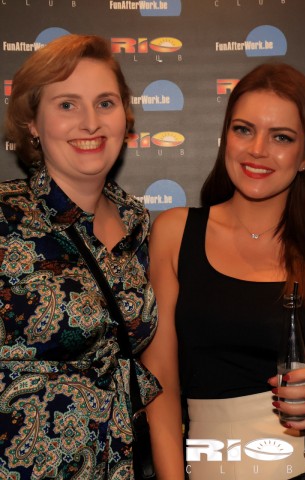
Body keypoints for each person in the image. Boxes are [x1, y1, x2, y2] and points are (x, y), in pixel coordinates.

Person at [142, 62, 305, 479]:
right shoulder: (175, 233)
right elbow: (161, 384)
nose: (258, 149)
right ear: (225, 136)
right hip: (211, 460)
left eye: (281, 137)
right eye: (244, 129)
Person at [0, 34, 161, 479]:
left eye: (105, 103)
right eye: (67, 105)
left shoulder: (140, 225)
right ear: (33, 123)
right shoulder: (6, 216)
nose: (90, 123)